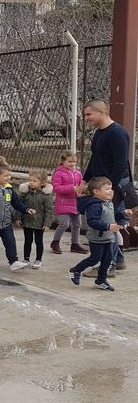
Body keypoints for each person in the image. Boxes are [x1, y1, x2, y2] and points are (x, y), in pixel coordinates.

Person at [82, 99, 133, 273]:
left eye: (89, 114)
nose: (86, 118)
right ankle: (118, 260)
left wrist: (110, 188)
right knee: (108, 222)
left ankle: (108, 266)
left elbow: (121, 163)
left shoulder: (117, 133)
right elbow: (95, 158)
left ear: (102, 112)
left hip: (113, 184)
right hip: (103, 184)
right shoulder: (99, 132)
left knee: (107, 223)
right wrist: (85, 180)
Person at [69, 177, 132, 291]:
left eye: (111, 188)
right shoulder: (94, 205)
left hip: (108, 237)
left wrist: (123, 213)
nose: (110, 191)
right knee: (94, 259)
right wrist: (108, 226)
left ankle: (101, 280)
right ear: (96, 191)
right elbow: (92, 222)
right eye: (107, 189)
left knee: (107, 260)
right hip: (97, 238)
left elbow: (112, 217)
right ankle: (75, 270)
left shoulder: (108, 203)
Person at [0, 165, 36, 272]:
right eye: (5, 176)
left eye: (9, 175)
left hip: (6, 224)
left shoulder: (9, 190)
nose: (8, 178)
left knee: (10, 242)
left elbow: (17, 203)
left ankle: (13, 262)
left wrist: (26, 209)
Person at [15, 171, 55, 269]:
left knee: (38, 241)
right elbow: (19, 206)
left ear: (42, 183)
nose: (31, 183)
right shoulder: (25, 194)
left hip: (39, 223)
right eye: (30, 180)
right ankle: (26, 259)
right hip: (27, 221)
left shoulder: (46, 196)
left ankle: (38, 259)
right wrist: (18, 217)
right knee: (27, 241)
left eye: (34, 181)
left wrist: (47, 224)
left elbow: (49, 211)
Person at [51, 151, 88, 255]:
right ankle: (55, 242)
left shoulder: (78, 173)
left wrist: (83, 189)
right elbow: (57, 188)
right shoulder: (58, 173)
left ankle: (75, 244)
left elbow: (81, 184)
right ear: (63, 161)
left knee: (77, 224)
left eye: (74, 162)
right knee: (64, 223)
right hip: (63, 203)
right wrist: (72, 188)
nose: (72, 164)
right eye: (70, 161)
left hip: (75, 203)